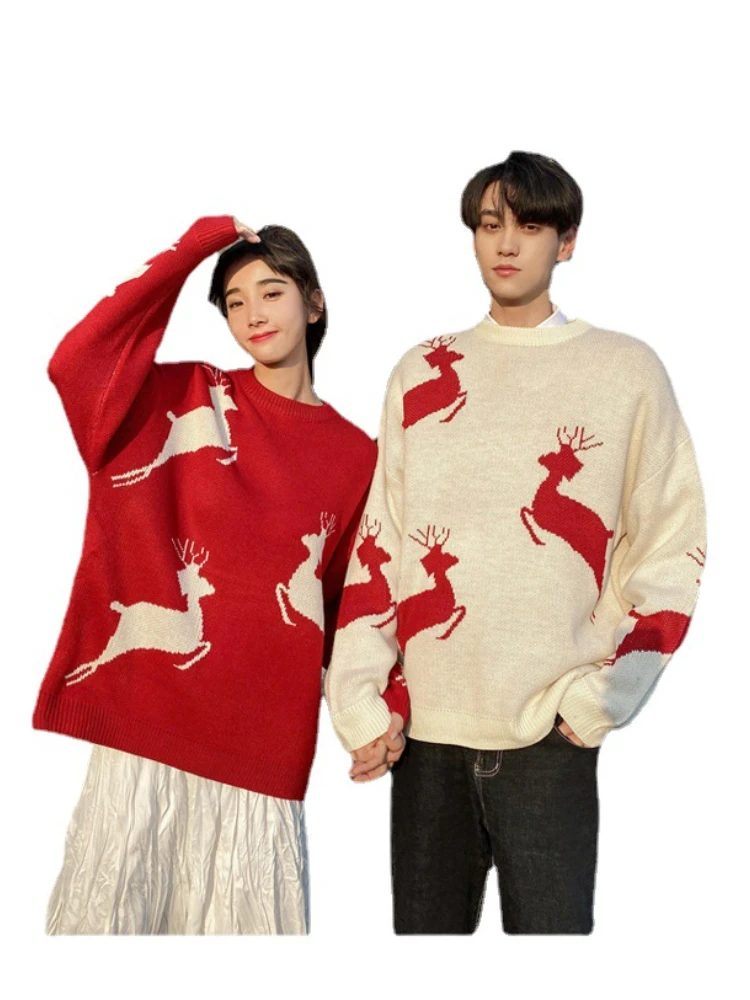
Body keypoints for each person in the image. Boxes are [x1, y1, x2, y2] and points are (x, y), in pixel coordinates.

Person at [324, 151, 707, 934]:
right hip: (425, 739)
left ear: (567, 242)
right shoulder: (420, 370)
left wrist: (602, 699)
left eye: (530, 227)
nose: (506, 244)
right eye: (490, 225)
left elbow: (673, 544)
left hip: (549, 739)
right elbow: (380, 542)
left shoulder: (626, 372)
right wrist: (358, 701)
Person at [33, 213, 408, 934]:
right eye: (234, 302)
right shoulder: (183, 396)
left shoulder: (358, 457)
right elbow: (75, 362)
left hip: (260, 758)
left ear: (314, 302)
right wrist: (192, 248)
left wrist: (384, 704)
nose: (253, 314)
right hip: (146, 739)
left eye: (271, 292)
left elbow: (353, 608)